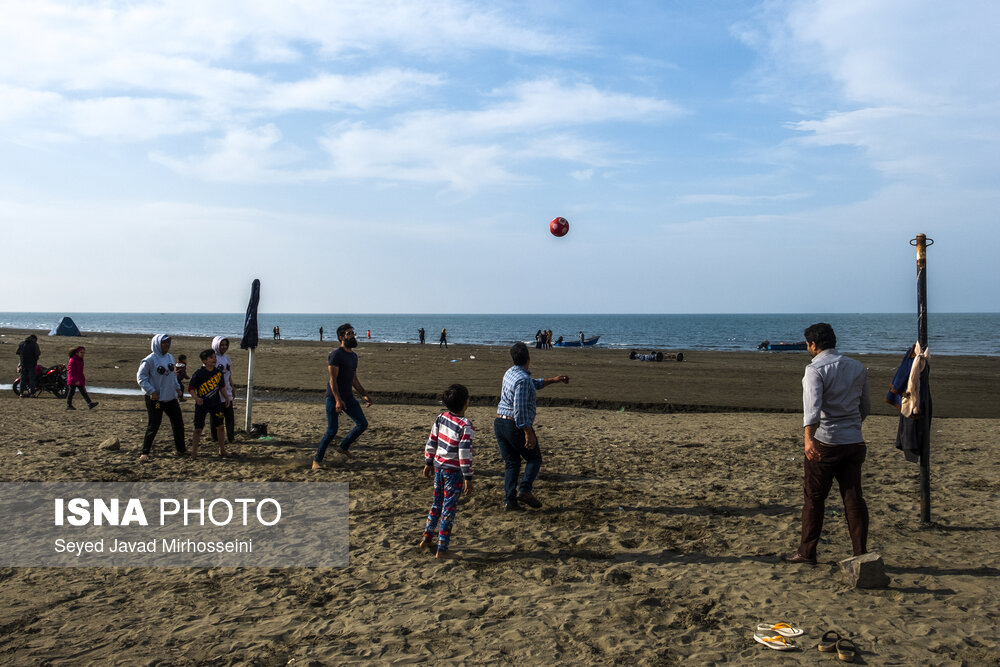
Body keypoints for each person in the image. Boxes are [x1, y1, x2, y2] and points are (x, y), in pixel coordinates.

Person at [785, 322, 871, 564]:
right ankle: (860, 552)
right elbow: (865, 407)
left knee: (814, 498)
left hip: (826, 441)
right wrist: (852, 425)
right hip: (854, 440)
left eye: (807, 344)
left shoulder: (815, 370)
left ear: (813, 345)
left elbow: (811, 410)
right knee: (853, 497)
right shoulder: (857, 367)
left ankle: (806, 551)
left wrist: (808, 440)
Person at [494, 342, 569, 511]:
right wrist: (527, 431)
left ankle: (510, 501)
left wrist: (553, 380)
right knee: (534, 458)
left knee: (512, 463)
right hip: (514, 424)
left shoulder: (511, 373)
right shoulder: (522, 380)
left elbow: (532, 384)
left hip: (500, 422)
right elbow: (519, 409)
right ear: (529, 358)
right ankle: (525, 490)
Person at [419, 384, 474, 559]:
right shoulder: (465, 425)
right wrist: (468, 476)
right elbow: (464, 453)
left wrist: (428, 461)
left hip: (438, 467)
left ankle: (427, 537)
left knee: (437, 503)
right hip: (453, 471)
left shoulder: (441, 417)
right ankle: (442, 549)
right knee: (448, 508)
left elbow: (432, 440)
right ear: (466, 403)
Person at [313, 324, 373, 469]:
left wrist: (364, 394)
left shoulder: (353, 356)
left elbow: (354, 379)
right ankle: (317, 461)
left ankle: (343, 447)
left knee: (362, 424)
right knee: (332, 431)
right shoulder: (336, 355)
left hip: (348, 397)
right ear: (341, 338)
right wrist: (338, 400)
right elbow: (332, 380)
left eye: (353, 333)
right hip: (334, 397)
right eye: (349, 333)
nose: (352, 335)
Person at [136, 334, 186, 461]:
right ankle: (145, 452)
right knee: (154, 424)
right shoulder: (149, 360)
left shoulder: (170, 357)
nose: (167, 345)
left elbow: (173, 375)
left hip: (170, 397)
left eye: (168, 343)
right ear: (157, 344)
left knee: (178, 423)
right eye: (164, 343)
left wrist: (177, 388)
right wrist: (151, 391)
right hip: (155, 399)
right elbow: (141, 378)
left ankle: (181, 450)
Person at [188, 348, 232, 458]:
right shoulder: (198, 374)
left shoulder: (218, 372)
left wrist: (227, 398)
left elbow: (222, 387)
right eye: (211, 358)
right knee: (198, 429)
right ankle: (194, 452)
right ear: (204, 361)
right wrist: (196, 398)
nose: (214, 359)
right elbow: (191, 388)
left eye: (215, 357)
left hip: (216, 404)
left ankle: (222, 450)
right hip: (202, 405)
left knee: (220, 426)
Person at [210, 336, 236, 443]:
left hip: (227, 391)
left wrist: (232, 387)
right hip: (216, 393)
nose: (224, 347)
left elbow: (229, 374)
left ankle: (231, 437)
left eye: (226, 345)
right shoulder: (212, 358)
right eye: (221, 345)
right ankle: (215, 438)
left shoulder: (226, 358)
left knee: (229, 416)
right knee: (217, 417)